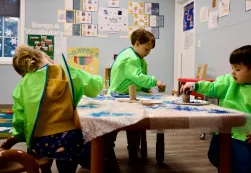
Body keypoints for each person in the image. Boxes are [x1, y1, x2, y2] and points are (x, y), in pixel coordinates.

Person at [181, 45, 251, 173]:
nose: (232, 72)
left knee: (243, 166)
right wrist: (195, 85)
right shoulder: (229, 82)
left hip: (246, 139)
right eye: (232, 68)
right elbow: (213, 87)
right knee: (218, 157)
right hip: (224, 132)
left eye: (237, 69)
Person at [11, 45, 104, 173]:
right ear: (43, 56)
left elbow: (19, 120)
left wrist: (20, 136)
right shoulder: (68, 72)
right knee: (90, 142)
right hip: (69, 140)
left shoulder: (22, 85)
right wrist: (99, 79)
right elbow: (94, 87)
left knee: (52, 151)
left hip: (40, 144)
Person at [108, 29, 164, 160]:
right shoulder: (130, 58)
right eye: (146, 49)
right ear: (137, 43)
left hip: (128, 95)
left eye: (149, 51)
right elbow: (137, 76)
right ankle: (107, 148)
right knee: (119, 122)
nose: (148, 53)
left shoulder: (140, 59)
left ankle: (133, 148)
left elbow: (140, 79)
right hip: (118, 95)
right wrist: (154, 81)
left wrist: (145, 88)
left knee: (134, 120)